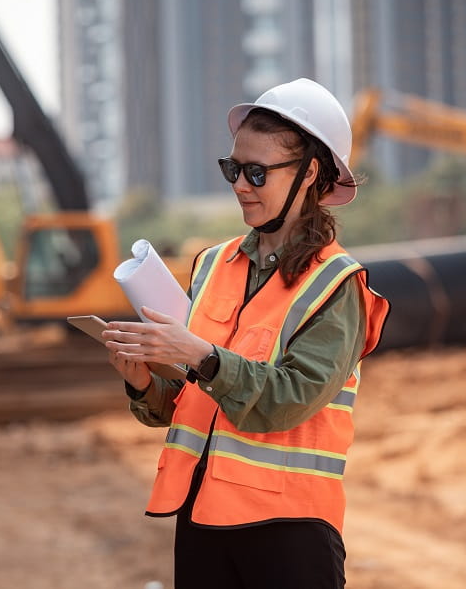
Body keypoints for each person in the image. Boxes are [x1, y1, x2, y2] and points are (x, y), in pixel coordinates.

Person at [102, 78, 390, 588]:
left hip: (289, 530)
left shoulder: (337, 284)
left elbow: (291, 398)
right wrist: (144, 382)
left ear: (311, 175)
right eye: (233, 169)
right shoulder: (213, 265)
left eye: (257, 172)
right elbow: (197, 405)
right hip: (201, 517)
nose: (240, 185)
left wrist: (204, 356)